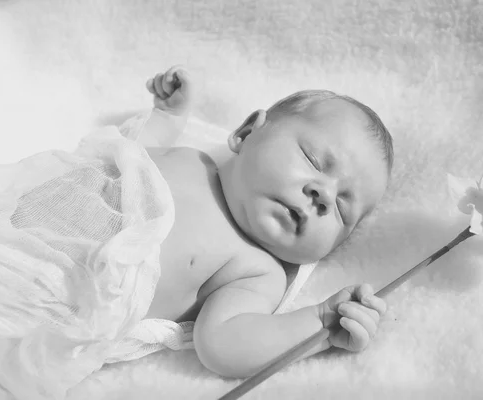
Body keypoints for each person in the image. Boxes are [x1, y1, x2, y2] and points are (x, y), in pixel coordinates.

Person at [140, 66, 394, 378]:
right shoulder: (190, 159)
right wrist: (167, 116)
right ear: (246, 133)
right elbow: (127, 150)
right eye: (313, 160)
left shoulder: (256, 272)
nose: (324, 195)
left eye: (341, 208)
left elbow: (223, 346)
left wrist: (321, 322)